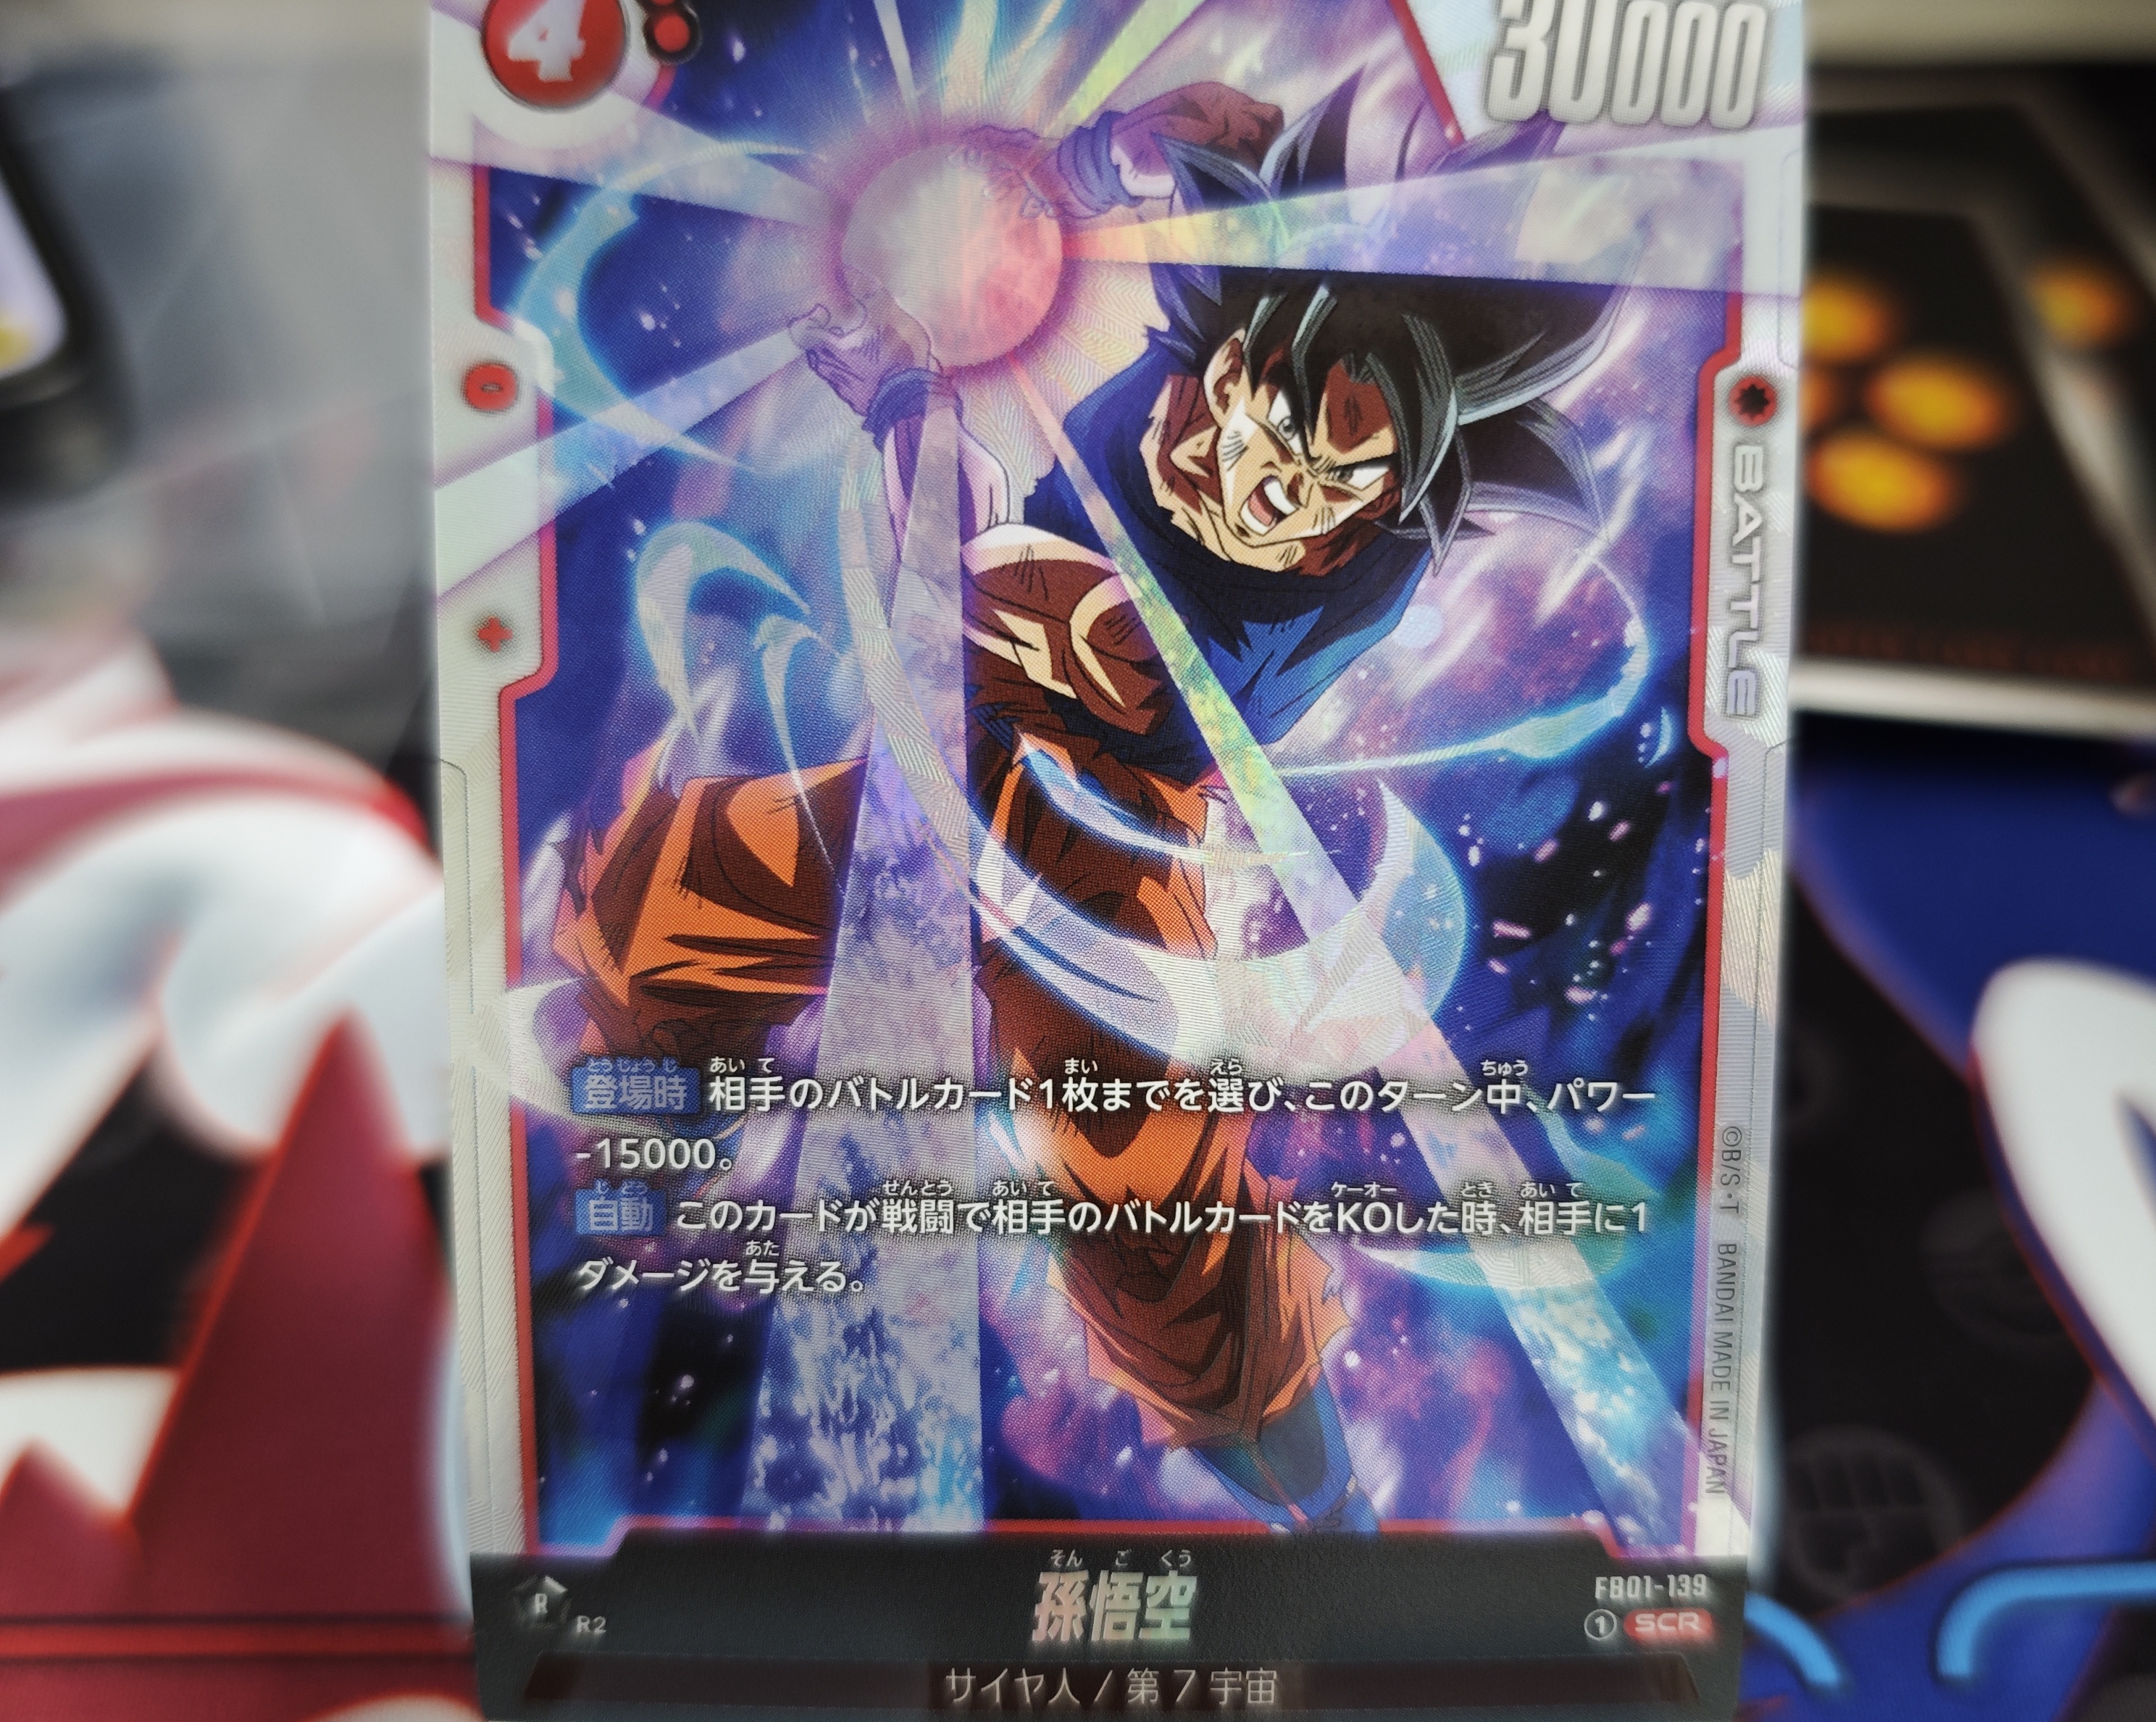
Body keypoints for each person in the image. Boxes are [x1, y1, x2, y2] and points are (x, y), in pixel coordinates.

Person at [555, 80, 1614, 1530]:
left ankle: (1326, 1514)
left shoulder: (1341, 583)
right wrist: (1130, 157)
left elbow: (1052, 618)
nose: (1237, 475)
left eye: (1304, 481)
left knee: (1155, 1230)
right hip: (960, 765)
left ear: (1376, 505)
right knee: (675, 896)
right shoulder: (1202, 359)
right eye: (1233, 413)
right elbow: (1166, 194)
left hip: (1109, 852)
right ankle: (648, 1184)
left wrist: (913, 415)